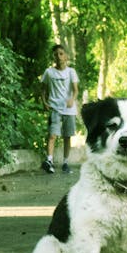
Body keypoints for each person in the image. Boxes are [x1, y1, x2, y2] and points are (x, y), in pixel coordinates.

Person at [40, 44, 79, 174]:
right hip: (54, 107)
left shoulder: (71, 72)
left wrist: (72, 99)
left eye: (61, 54)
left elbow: (75, 90)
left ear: (66, 56)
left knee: (67, 136)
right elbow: (42, 90)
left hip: (69, 109)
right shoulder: (49, 72)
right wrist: (44, 102)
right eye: (56, 54)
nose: (58, 56)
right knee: (52, 135)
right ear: (53, 56)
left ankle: (65, 163)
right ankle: (49, 161)